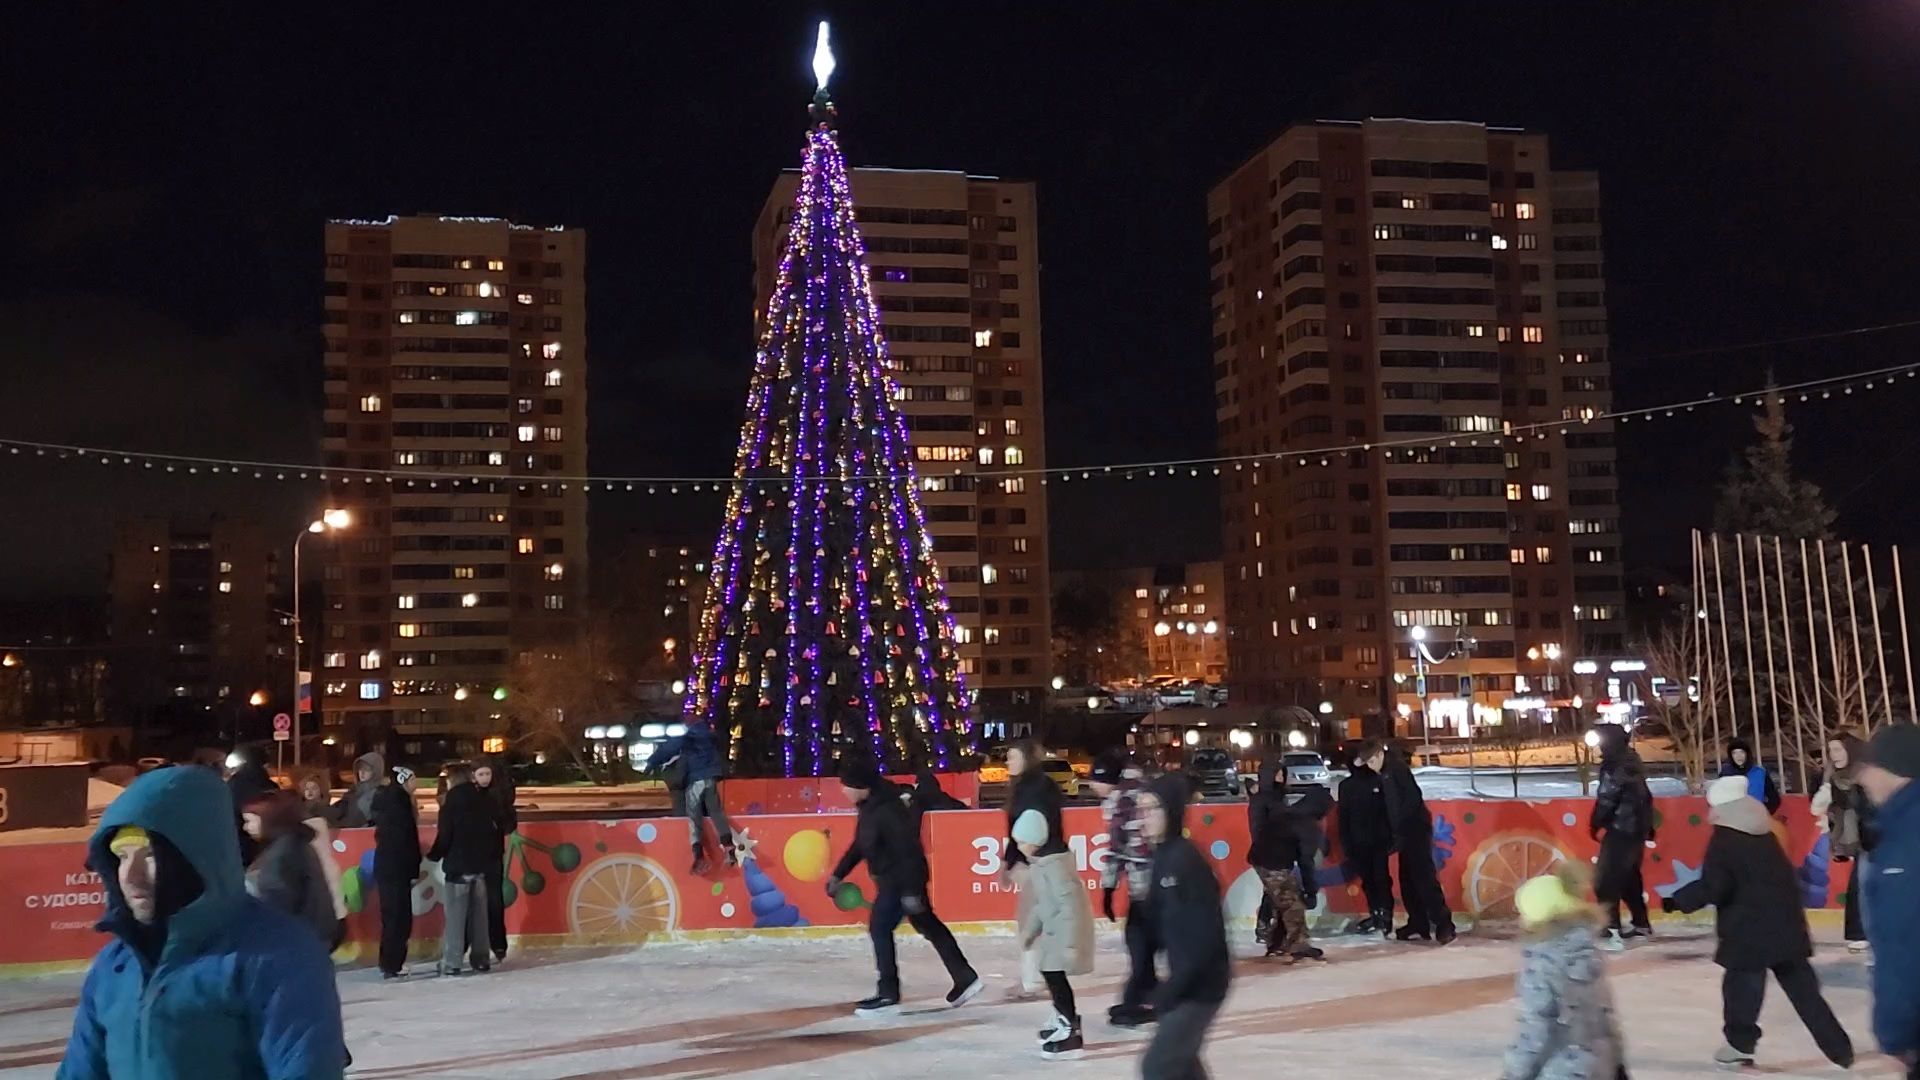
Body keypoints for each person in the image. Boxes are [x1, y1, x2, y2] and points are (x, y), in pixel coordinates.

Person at [56, 766, 345, 1080]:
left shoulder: (278, 957)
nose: (130, 874)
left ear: (196, 857)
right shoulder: (114, 967)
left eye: (149, 855)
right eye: (121, 856)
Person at [1664, 775, 1853, 1070]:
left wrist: (1677, 901)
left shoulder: (1725, 840)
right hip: (1786, 927)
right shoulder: (1766, 834)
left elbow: (1715, 886)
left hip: (1747, 933)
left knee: (1741, 992)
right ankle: (1839, 1049)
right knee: (1805, 994)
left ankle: (1740, 1045)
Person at [826, 758, 984, 1016]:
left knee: (880, 928)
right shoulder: (870, 807)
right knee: (928, 925)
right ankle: (964, 976)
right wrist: (838, 874)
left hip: (900, 881)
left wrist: (911, 890)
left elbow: (909, 851)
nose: (843, 791)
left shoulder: (888, 809)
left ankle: (888, 993)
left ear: (861, 785)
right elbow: (861, 844)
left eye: (846, 785)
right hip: (895, 881)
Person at [1140, 773, 1230, 1080]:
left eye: (1153, 809)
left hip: (1201, 985)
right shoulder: (1163, 856)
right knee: (1183, 1067)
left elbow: (1203, 936)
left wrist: (1176, 987)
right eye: (1143, 810)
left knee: (1159, 1066)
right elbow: (1154, 922)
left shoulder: (1186, 861)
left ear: (1172, 811)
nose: (1146, 818)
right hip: (1186, 981)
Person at [1500, 864, 1624, 1080]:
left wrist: (1513, 1074)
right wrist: (1618, 1066)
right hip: (1599, 1069)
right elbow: (1605, 1019)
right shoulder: (1587, 953)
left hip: (1560, 1071)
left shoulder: (1542, 963)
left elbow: (1536, 1029)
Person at [1858, 724, 1920, 1079]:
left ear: (1894, 770)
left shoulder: (1908, 839)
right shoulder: (1900, 826)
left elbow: (1905, 945)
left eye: (1871, 767)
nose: (1865, 778)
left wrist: (1894, 1040)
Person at [1014, 807, 1095, 1059]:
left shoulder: (1055, 867)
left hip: (1066, 931)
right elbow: (1043, 904)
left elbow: (1070, 906)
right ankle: (1064, 1016)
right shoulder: (1041, 865)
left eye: (1022, 841)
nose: (1019, 847)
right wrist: (1030, 931)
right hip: (1054, 929)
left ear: (1036, 839)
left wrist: (1071, 944)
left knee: (1053, 973)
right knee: (1050, 972)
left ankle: (1068, 1025)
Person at [1090, 749, 1157, 1027]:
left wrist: (1108, 886)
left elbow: (1120, 847)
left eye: (1094, 780)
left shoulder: (1124, 800)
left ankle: (1136, 1001)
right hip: (1152, 881)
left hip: (1150, 883)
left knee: (1139, 940)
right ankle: (1150, 994)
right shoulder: (1135, 791)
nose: (1092, 787)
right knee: (1144, 941)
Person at [1001, 739, 1066, 999]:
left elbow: (1032, 830)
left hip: (1040, 863)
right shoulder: (1027, 787)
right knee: (1033, 921)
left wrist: (1015, 859)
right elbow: (1019, 831)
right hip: (1035, 862)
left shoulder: (1036, 789)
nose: (1007, 762)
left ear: (1026, 759)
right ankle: (1034, 977)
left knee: (1032, 922)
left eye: (1012, 757)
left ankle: (1033, 980)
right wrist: (1009, 861)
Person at [1247, 757, 1324, 962]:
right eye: (1279, 774)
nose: (1283, 778)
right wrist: (1311, 890)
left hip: (1273, 857)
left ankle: (1275, 940)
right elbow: (1306, 858)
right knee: (1291, 901)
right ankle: (1298, 944)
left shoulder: (1281, 803)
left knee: (1280, 898)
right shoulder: (1266, 802)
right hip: (1271, 858)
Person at [241, 790, 338, 946]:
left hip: (297, 943)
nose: (246, 827)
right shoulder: (293, 844)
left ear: (268, 819)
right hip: (311, 937)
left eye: (250, 821)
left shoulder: (281, 854)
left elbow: (276, 906)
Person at [1380, 745, 1455, 944]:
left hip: (1415, 830)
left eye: (1371, 761)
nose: (1370, 766)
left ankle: (1444, 924)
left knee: (1424, 878)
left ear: (1379, 755)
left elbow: (1410, 801)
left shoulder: (1395, 770)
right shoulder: (1386, 772)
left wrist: (1400, 828)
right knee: (1408, 881)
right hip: (1406, 833)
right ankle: (1418, 921)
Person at [429, 763, 499, 976]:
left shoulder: (450, 803)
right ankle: (481, 958)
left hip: (458, 868)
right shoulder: (482, 800)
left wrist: (433, 855)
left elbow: (445, 835)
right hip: (480, 867)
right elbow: (492, 831)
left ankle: (453, 962)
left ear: (453, 780)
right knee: (480, 918)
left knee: (456, 918)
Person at [1588, 723, 1654, 948]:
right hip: (1636, 830)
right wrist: (1648, 825)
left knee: (1606, 880)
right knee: (1628, 878)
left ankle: (1611, 926)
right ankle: (1641, 922)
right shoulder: (1632, 761)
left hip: (1620, 829)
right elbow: (1646, 796)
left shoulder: (1614, 766)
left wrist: (1595, 823)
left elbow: (1607, 798)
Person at [1810, 730, 1875, 952]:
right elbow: (1818, 806)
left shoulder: (1867, 774)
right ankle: (1859, 932)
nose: (1833, 755)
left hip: (1876, 835)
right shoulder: (1833, 779)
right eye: (1830, 751)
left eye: (1837, 749)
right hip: (1858, 839)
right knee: (1860, 884)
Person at [645, 719, 735, 873]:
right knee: (716, 812)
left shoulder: (688, 739)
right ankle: (728, 846)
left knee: (694, 817)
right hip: (711, 779)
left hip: (696, 781)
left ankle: (698, 855)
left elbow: (668, 749)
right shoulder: (710, 739)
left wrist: (651, 763)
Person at [1337, 739, 1396, 936]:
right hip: (1358, 842)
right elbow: (1343, 816)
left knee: (1381, 879)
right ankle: (1376, 913)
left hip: (1378, 841)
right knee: (1368, 880)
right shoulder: (1346, 786)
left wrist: (1390, 837)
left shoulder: (1378, 780)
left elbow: (1388, 811)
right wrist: (1346, 842)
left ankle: (1385, 916)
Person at [371, 764, 423, 979]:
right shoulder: (400, 805)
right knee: (398, 918)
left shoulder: (388, 803)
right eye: (412, 779)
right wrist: (413, 868)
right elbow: (406, 842)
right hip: (397, 869)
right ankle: (393, 963)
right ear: (403, 780)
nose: (416, 784)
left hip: (387, 867)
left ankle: (389, 962)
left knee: (392, 916)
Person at [473, 755, 518, 963]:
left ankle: (498, 944)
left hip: (492, 855)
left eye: (487, 774)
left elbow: (509, 821)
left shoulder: (499, 796)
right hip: (473, 855)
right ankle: (474, 945)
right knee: (472, 901)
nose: (484, 778)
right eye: (480, 774)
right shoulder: (468, 796)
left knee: (494, 900)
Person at [1719, 737, 1783, 815]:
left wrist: (1763, 813)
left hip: (1756, 821)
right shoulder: (1725, 774)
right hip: (1733, 821)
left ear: (1747, 753)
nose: (1738, 756)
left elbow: (1774, 799)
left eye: (1742, 752)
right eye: (1734, 753)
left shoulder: (1760, 773)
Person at [329, 751, 385, 829]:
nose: (362, 772)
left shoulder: (382, 793)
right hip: (347, 833)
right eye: (360, 769)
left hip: (367, 834)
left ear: (375, 771)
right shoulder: (353, 791)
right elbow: (338, 811)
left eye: (367, 769)